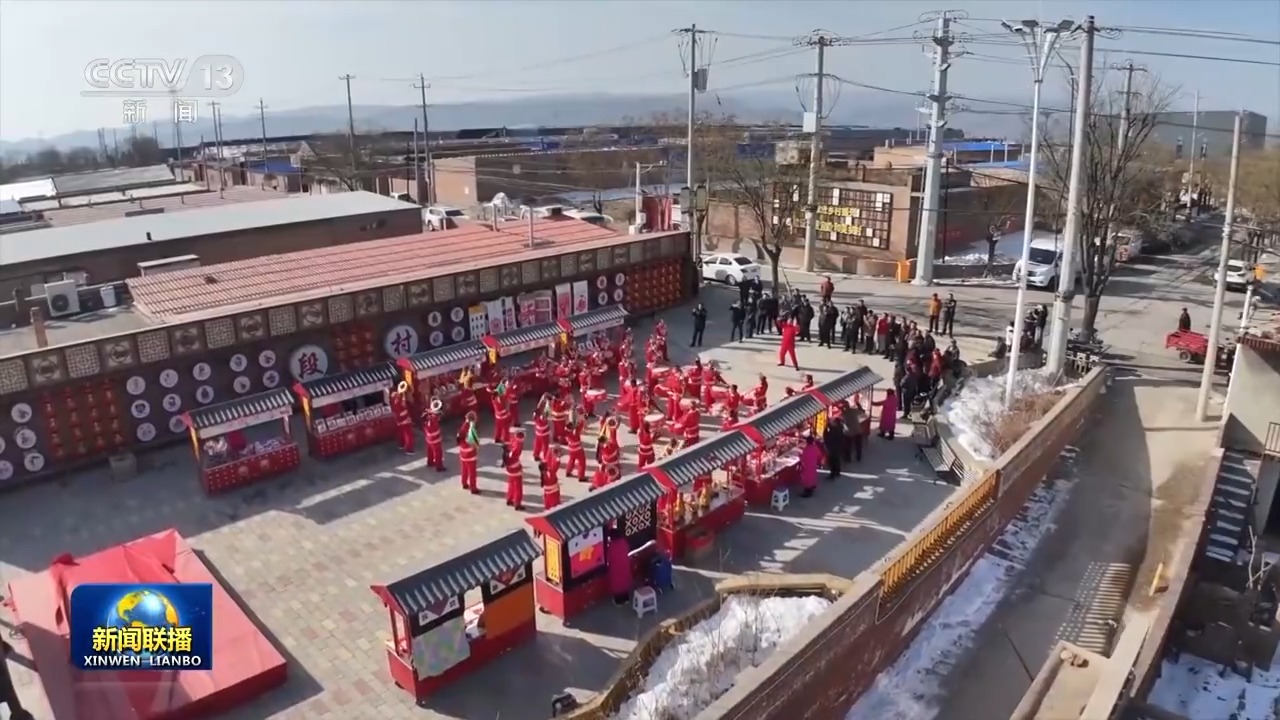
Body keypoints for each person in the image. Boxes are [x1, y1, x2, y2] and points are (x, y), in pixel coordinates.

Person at [607, 530, 633, 605]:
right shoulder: (624, 542)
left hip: (615, 568)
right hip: (624, 565)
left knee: (617, 584)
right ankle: (626, 598)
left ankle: (618, 601)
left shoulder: (611, 546)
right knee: (625, 580)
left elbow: (608, 557)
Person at [458, 412, 481, 493]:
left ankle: (464, 483)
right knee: (472, 472)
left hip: (462, 453)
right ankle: (473, 488)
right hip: (470, 455)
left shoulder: (462, 428)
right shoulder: (471, 429)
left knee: (464, 469)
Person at [421, 400, 446, 472]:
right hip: (435, 438)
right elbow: (438, 419)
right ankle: (439, 467)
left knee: (430, 451)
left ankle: (430, 462)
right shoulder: (434, 418)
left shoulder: (428, 415)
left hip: (428, 437)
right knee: (438, 453)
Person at [504, 430, 526, 510]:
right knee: (518, 487)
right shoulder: (518, 446)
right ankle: (517, 503)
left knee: (511, 484)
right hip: (515, 468)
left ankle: (509, 499)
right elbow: (514, 454)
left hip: (509, 467)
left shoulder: (512, 441)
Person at [565, 412, 588, 482]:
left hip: (571, 449)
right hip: (578, 450)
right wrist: (583, 418)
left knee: (571, 460)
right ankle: (581, 476)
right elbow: (580, 425)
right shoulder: (576, 432)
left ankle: (568, 471)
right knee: (582, 462)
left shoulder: (567, 432)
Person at [824, 414, 845, 480]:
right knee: (837, 460)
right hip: (838, 447)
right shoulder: (840, 428)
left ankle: (832, 474)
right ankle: (837, 472)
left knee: (832, 461)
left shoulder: (832, 429)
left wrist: (827, 426)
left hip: (832, 447)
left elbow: (826, 436)